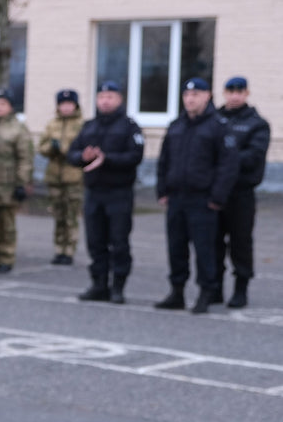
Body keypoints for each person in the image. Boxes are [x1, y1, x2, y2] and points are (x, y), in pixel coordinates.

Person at [154, 78, 238, 313]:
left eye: (196, 95)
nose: (190, 99)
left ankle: (205, 292)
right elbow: (164, 161)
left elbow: (228, 165)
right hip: (176, 198)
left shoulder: (218, 126)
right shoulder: (176, 126)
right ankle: (177, 292)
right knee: (176, 247)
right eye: (187, 95)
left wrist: (217, 197)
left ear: (207, 96)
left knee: (204, 249)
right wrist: (162, 190)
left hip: (203, 200)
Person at [68, 81, 145, 304]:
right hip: (94, 192)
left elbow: (135, 156)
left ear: (119, 100)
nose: (105, 100)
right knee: (95, 241)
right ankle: (98, 284)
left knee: (119, 241)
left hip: (119, 193)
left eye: (110, 96)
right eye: (102, 96)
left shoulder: (129, 126)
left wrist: (106, 159)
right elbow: (72, 153)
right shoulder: (89, 126)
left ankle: (118, 286)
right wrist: (82, 158)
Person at [214, 76, 271, 307]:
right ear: (224, 93)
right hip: (216, 192)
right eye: (230, 91)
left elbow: (253, 158)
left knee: (240, 243)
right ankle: (214, 287)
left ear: (247, 93)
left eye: (239, 91)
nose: (234, 95)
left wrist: (225, 158)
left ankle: (241, 289)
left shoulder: (257, 124)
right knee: (213, 243)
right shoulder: (214, 120)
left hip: (240, 193)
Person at [0, 88, 34, 273]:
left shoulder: (18, 129)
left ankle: (6, 257)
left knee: (6, 223)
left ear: (11, 106)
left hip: (8, 184)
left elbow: (25, 158)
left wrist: (21, 182)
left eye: (3, 104)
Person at [39, 89, 86, 265]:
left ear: (75, 105)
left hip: (74, 176)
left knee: (71, 216)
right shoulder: (52, 124)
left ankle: (69, 250)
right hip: (54, 176)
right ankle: (59, 249)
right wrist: (51, 148)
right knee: (58, 215)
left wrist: (66, 150)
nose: (66, 107)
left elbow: (84, 149)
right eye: (62, 104)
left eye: (69, 104)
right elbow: (41, 147)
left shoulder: (82, 125)